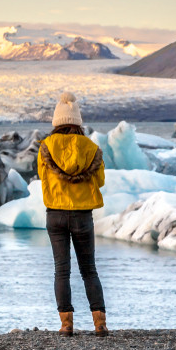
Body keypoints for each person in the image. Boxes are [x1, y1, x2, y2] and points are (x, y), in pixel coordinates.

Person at [37, 92, 108, 337]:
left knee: (61, 270)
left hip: (54, 214)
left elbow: (42, 177)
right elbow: (99, 180)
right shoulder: (92, 148)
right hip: (82, 215)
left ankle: (66, 325)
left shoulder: (46, 147)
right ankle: (100, 324)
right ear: (77, 121)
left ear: (57, 121)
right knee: (89, 270)